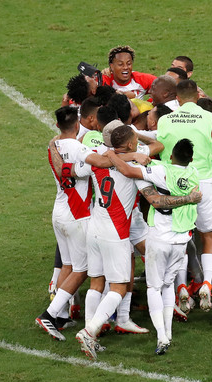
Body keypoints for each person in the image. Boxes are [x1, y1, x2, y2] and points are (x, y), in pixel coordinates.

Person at [74, 126, 202, 359]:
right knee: (119, 287)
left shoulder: (97, 156)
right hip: (116, 231)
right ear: (132, 144)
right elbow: (153, 192)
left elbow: (84, 166)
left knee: (96, 282)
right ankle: (89, 330)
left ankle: (91, 335)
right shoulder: (134, 166)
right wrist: (133, 156)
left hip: (94, 227)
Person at [36, 106, 143, 341]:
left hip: (59, 211)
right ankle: (51, 314)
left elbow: (67, 170)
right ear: (77, 124)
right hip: (79, 215)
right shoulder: (79, 148)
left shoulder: (53, 145)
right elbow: (102, 163)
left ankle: (63, 315)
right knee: (82, 270)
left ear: (57, 126)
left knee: (70, 265)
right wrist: (133, 155)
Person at [108, 138, 199, 355]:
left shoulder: (161, 170)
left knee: (153, 287)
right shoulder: (195, 173)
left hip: (159, 239)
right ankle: (167, 332)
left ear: (170, 157)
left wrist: (112, 155)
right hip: (181, 241)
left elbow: (129, 171)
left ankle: (161, 336)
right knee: (168, 286)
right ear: (191, 159)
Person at [156, 79, 212, 312]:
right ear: (197, 97)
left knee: (180, 237)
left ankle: (181, 288)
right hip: (203, 182)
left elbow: (160, 149)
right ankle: (207, 282)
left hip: (175, 182)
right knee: (208, 235)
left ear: (177, 98)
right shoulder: (211, 118)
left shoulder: (165, 119)